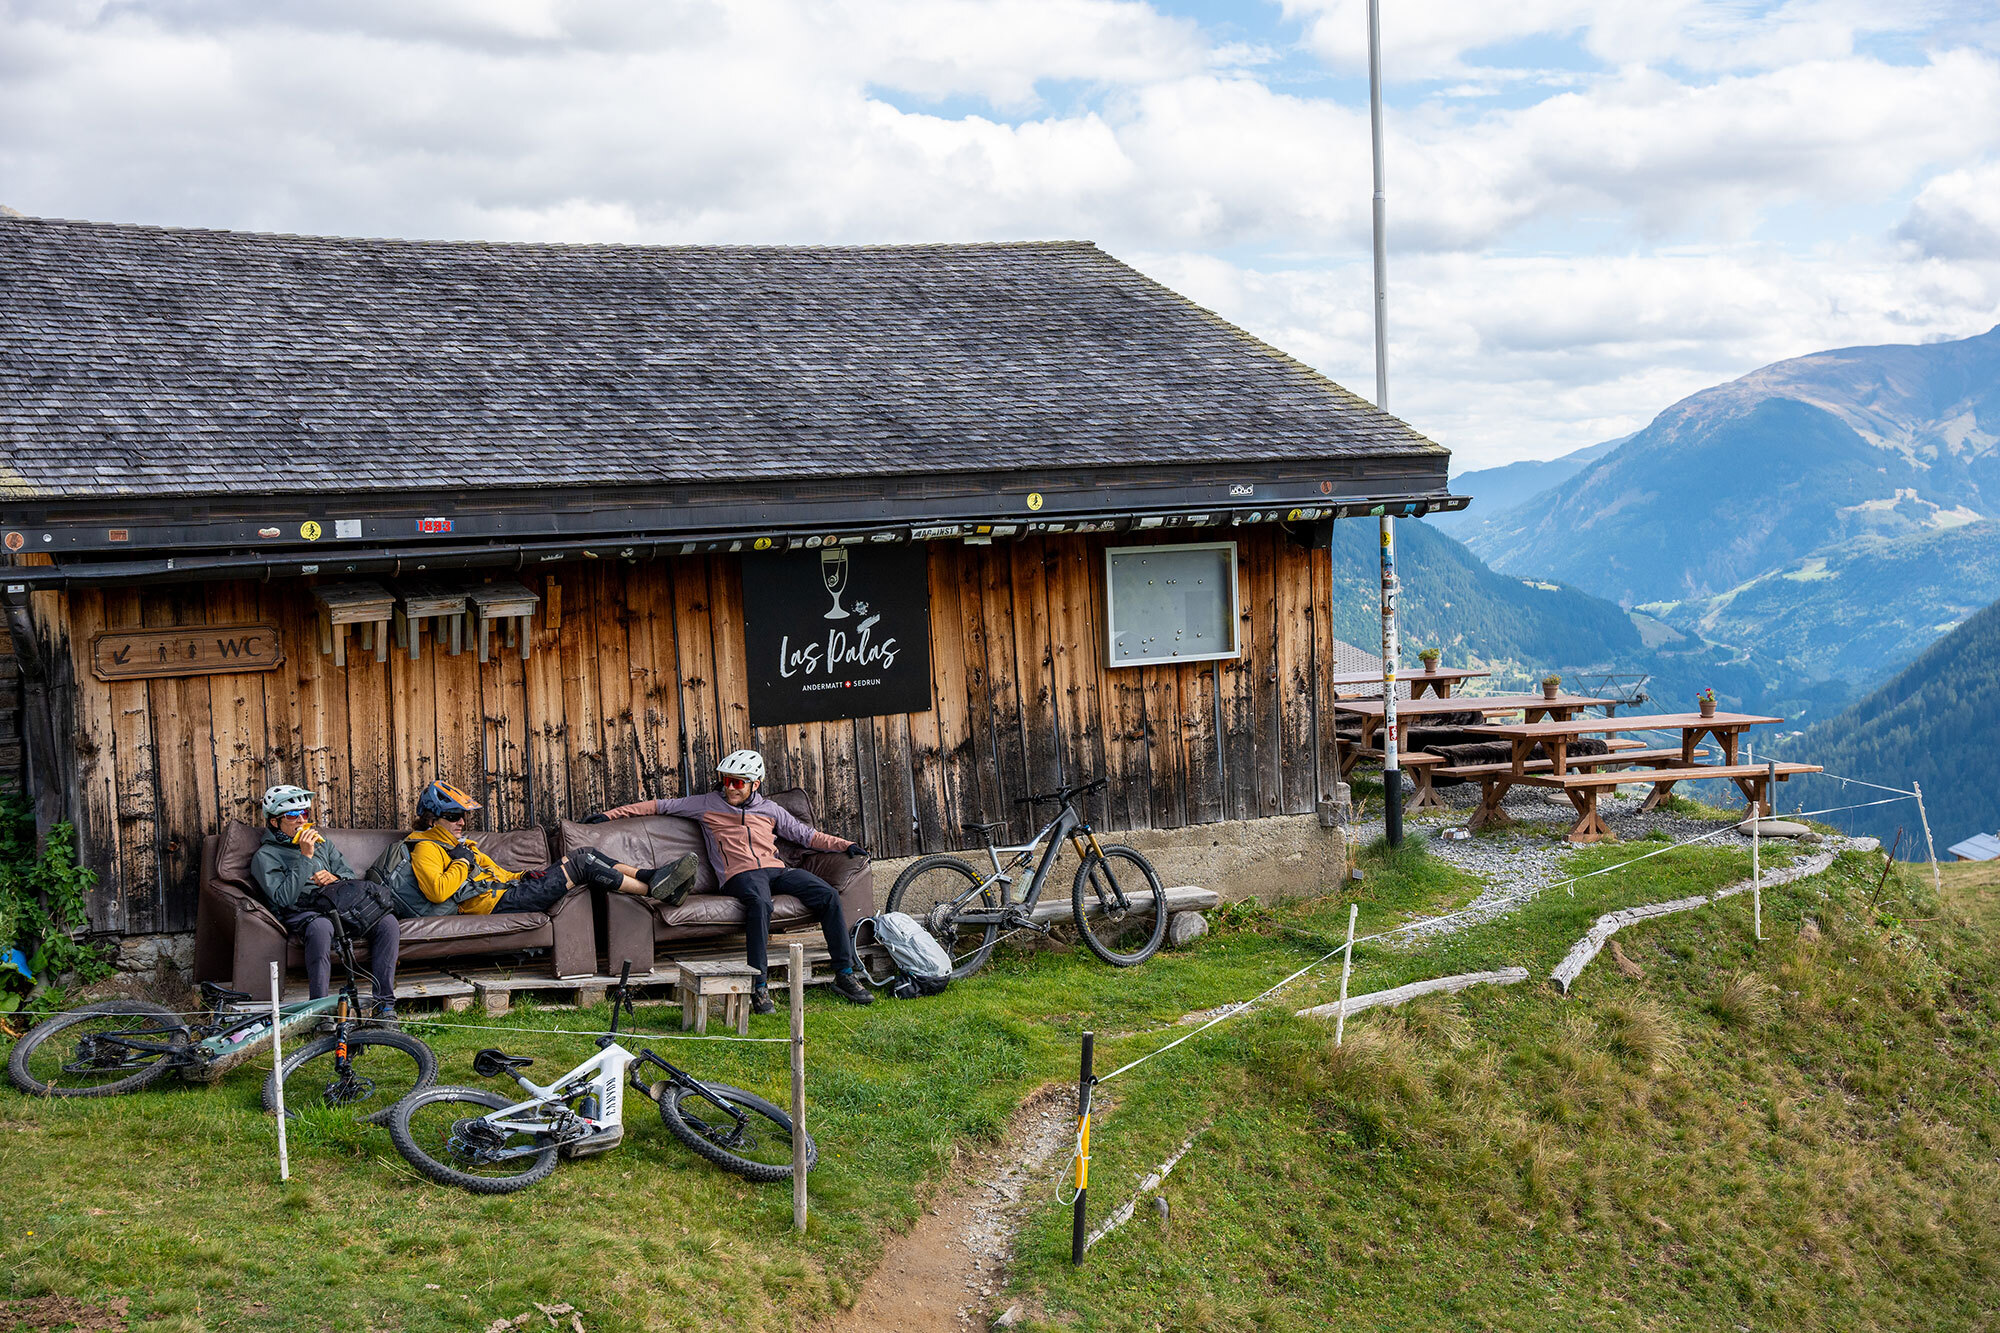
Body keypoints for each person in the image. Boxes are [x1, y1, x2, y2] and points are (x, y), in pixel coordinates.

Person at [585, 750, 874, 1013]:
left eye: (738, 783)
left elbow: (806, 835)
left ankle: (844, 974)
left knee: (828, 895)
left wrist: (844, 845)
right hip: (740, 875)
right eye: (726, 780)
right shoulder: (706, 804)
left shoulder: (770, 809)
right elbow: (658, 806)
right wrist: (610, 815)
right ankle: (759, 987)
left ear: (755, 784)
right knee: (760, 904)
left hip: (776, 870)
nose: (730, 787)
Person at [406, 781, 697, 917]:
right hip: (494, 904)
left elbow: (496, 873)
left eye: (463, 815)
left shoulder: (459, 845)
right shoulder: (427, 848)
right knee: (583, 867)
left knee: (584, 853)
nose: (462, 821)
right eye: (454, 816)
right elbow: (437, 892)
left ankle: (653, 875)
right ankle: (659, 890)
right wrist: (461, 863)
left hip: (509, 890)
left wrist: (523, 876)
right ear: (432, 819)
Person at [248, 784, 401, 1020]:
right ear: (274, 822)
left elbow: (349, 877)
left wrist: (334, 878)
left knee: (387, 923)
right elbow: (283, 898)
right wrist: (305, 857)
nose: (301, 820)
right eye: (292, 815)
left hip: (336, 905)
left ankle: (385, 1006)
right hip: (303, 911)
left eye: (304, 814)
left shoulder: (323, 843)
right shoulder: (265, 856)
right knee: (321, 928)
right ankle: (320, 1012)